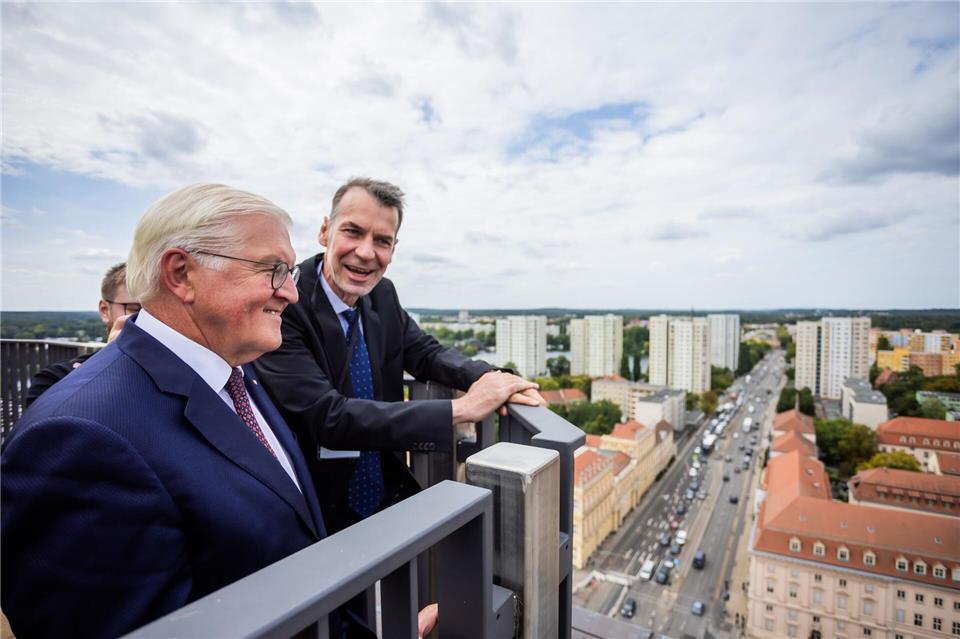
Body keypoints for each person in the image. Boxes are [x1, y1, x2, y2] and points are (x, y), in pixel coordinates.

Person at [1, 184, 398, 638]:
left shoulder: (235, 372)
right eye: (272, 270)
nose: (291, 292)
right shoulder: (78, 439)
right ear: (181, 274)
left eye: (288, 271)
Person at [255, 177, 542, 533]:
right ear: (325, 231)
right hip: (315, 506)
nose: (366, 252)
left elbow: (424, 352)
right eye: (353, 232)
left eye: (382, 241)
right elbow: (328, 418)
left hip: (388, 492)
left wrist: (489, 377)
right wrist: (462, 409)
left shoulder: (382, 294)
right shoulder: (287, 303)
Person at [23, 262, 140, 408]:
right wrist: (112, 359)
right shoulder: (55, 379)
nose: (148, 320)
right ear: (105, 310)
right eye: (136, 309)